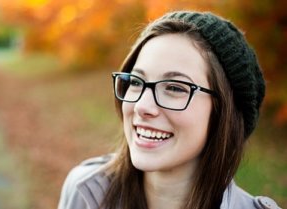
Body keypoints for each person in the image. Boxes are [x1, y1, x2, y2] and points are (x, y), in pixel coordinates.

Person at [57, 11, 281, 209]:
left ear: (224, 112)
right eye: (136, 82)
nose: (142, 106)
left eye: (174, 87)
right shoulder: (83, 193)